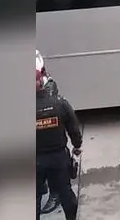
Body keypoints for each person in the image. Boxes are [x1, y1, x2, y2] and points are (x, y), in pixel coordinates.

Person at [36, 67, 82, 220]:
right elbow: (74, 129)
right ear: (42, 82)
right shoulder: (60, 104)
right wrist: (76, 146)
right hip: (59, 158)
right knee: (66, 194)